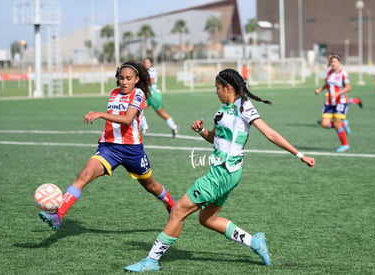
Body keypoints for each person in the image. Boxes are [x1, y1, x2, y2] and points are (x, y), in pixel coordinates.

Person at [125, 68, 315, 272]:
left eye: (218, 88)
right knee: (207, 219)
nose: (216, 92)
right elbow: (215, 139)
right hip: (229, 173)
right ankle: (254, 241)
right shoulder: (222, 110)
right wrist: (202, 131)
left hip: (223, 172)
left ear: (228, 87)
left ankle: (152, 260)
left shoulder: (243, 107)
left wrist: (299, 155)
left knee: (178, 210)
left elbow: (270, 134)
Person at [38, 60, 176, 230]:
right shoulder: (113, 93)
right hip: (108, 149)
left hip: (132, 151)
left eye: (128, 78)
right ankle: (58, 215)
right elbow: (114, 117)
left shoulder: (138, 94)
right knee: (84, 176)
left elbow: (127, 120)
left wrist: (100, 114)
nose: (124, 82)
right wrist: (105, 132)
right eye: (121, 78)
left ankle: (171, 204)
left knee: (151, 186)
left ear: (137, 79)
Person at [314, 54, 352, 152]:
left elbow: (348, 87)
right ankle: (343, 125)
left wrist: (338, 93)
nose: (333, 63)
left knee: (337, 123)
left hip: (340, 102)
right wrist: (320, 89)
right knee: (324, 124)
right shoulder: (329, 72)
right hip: (329, 103)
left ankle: (345, 145)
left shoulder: (343, 73)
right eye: (331, 62)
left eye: (335, 62)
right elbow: (327, 83)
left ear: (339, 63)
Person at [140, 57, 179, 137]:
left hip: (154, 95)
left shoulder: (152, 70)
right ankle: (145, 126)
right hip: (147, 95)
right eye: (145, 62)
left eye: (147, 62)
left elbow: (152, 81)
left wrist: (141, 82)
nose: (146, 64)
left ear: (151, 63)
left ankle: (174, 127)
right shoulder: (143, 71)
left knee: (161, 113)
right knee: (138, 109)